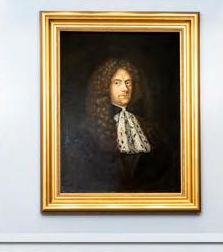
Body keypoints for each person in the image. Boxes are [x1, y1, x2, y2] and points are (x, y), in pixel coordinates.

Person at [60, 58, 176, 193]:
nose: (125, 89)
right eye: (117, 83)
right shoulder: (88, 130)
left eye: (128, 83)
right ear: (104, 87)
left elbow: (163, 162)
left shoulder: (145, 127)